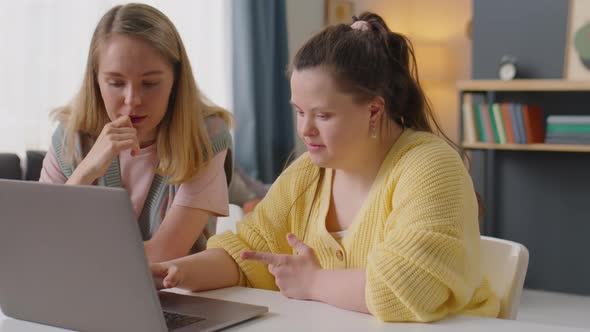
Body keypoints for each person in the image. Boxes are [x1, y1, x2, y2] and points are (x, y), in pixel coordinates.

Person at [151, 12, 500, 322]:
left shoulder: (430, 165)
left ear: (374, 111)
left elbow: (409, 285)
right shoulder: (308, 173)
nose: (305, 129)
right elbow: (248, 251)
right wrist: (173, 272)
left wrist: (314, 281)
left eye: (323, 115)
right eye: (300, 112)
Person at [39, 3, 233, 263]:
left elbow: (164, 255)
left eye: (150, 83)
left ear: (175, 80)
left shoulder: (206, 136)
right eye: (116, 83)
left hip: (176, 299)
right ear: (95, 80)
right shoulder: (69, 136)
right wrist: (85, 172)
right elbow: (40, 243)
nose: (133, 100)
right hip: (80, 295)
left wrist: (74, 257)